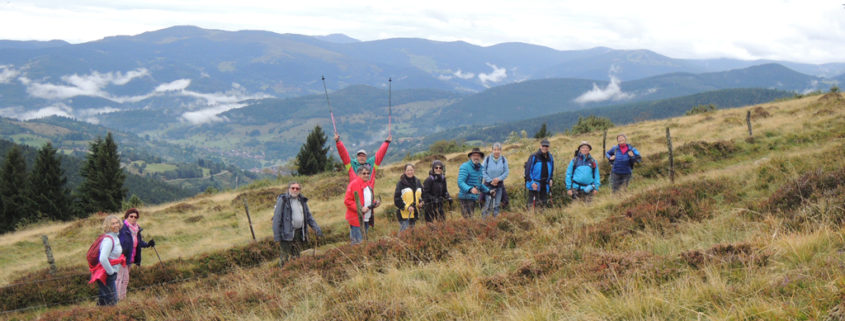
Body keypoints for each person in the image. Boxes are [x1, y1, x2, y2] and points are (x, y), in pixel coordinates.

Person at [272, 182, 323, 266]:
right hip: (286, 234)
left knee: (296, 255)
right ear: (289, 189)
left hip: (299, 232)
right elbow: (277, 219)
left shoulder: (302, 200)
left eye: (297, 188)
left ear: (300, 190)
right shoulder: (283, 200)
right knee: (284, 257)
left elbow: (308, 216)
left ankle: (295, 271)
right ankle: (282, 273)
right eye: (293, 188)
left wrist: (317, 229)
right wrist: (277, 236)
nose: (295, 190)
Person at [116, 208, 154, 301]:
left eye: (135, 217)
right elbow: (114, 241)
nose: (133, 218)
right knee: (119, 278)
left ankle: (122, 298)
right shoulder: (121, 228)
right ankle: (116, 298)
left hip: (130, 258)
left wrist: (148, 244)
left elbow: (139, 242)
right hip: (120, 258)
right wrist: (120, 251)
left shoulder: (136, 229)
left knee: (125, 279)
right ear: (126, 217)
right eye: (131, 216)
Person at [89, 215, 125, 306]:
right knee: (112, 301)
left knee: (104, 300)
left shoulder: (115, 237)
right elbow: (103, 258)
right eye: (113, 223)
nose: (116, 225)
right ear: (108, 226)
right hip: (106, 274)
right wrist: (111, 272)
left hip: (107, 273)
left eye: (117, 222)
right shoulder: (109, 240)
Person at [344, 165, 380, 244]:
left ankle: (360, 255)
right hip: (356, 219)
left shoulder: (368, 185)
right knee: (357, 243)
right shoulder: (353, 184)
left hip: (366, 218)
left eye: (368, 173)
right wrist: (360, 208)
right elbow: (347, 201)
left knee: (363, 241)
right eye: (364, 173)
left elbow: (367, 200)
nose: (367, 175)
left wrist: (374, 203)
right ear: (359, 174)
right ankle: (353, 256)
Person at [458, 148, 493, 218]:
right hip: (465, 198)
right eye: (474, 155)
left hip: (474, 198)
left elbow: (479, 185)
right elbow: (460, 182)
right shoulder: (465, 166)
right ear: (470, 157)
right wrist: (470, 189)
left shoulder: (481, 168)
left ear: (480, 157)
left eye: (478, 155)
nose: (476, 157)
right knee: (467, 220)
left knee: (472, 219)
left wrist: (489, 191)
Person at [524, 139, 554, 208]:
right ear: (540, 146)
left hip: (545, 185)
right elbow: (527, 172)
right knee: (533, 206)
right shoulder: (534, 156)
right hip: (535, 185)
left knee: (543, 205)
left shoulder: (550, 157)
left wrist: (551, 179)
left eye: (546, 146)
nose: (545, 147)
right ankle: (531, 217)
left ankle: (542, 217)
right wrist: (532, 183)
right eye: (543, 146)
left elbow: (552, 169)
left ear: (548, 147)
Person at [481, 143, 509, 218]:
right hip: (488, 186)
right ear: (492, 150)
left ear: (500, 151)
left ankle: (495, 221)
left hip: (499, 185)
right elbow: (482, 171)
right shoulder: (487, 159)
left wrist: (498, 179)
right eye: (495, 150)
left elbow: (506, 172)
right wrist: (491, 181)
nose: (496, 151)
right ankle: (484, 221)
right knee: (488, 204)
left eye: (498, 150)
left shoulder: (503, 160)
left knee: (497, 205)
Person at [394, 163, 423, 231]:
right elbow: (397, 199)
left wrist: (421, 202)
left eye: (411, 170)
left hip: (414, 213)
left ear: (414, 170)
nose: (410, 172)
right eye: (408, 170)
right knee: (404, 234)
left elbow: (422, 195)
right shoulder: (400, 183)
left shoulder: (418, 182)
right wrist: (407, 207)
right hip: (404, 215)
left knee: (411, 234)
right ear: (405, 171)